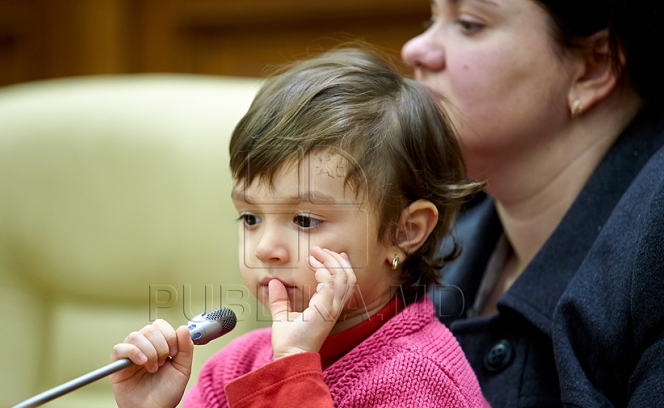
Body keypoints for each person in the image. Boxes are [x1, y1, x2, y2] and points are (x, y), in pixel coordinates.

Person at [197, 0, 664, 406]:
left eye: (470, 23)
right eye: (250, 217)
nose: (414, 49)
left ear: (593, 65)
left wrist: (290, 379)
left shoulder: (420, 372)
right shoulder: (243, 359)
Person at [109, 48, 489, 407]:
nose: (264, 248)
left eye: (305, 220)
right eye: (251, 218)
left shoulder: (422, 378)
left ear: (405, 231)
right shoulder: (237, 364)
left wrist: (291, 369)